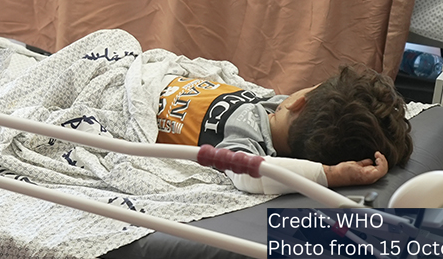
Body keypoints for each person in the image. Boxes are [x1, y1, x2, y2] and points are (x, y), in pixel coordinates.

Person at [155, 64, 412, 194]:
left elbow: (248, 175)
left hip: (140, 99)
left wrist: (330, 175)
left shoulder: (247, 139)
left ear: (298, 101)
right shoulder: (275, 105)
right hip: (156, 77)